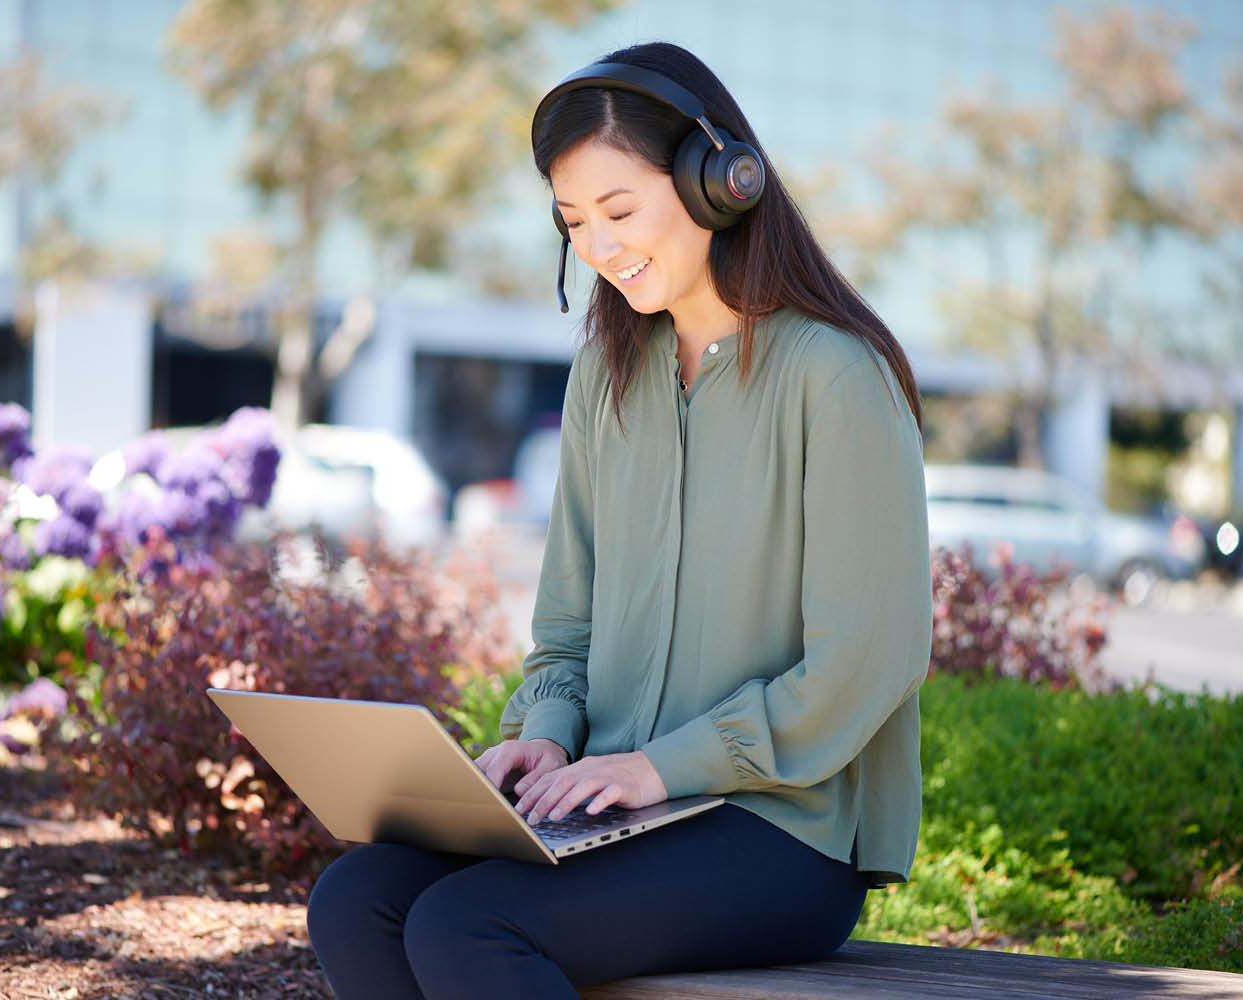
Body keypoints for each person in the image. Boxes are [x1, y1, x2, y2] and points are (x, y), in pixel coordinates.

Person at [306, 41, 932, 1000]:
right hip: (612, 805)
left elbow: (868, 659)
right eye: (573, 221)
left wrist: (661, 767)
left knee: (471, 926)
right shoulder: (607, 372)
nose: (598, 246)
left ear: (721, 182)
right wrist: (548, 735)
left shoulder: (836, 377)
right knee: (357, 898)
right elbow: (566, 625)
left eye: (619, 210)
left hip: (782, 834)